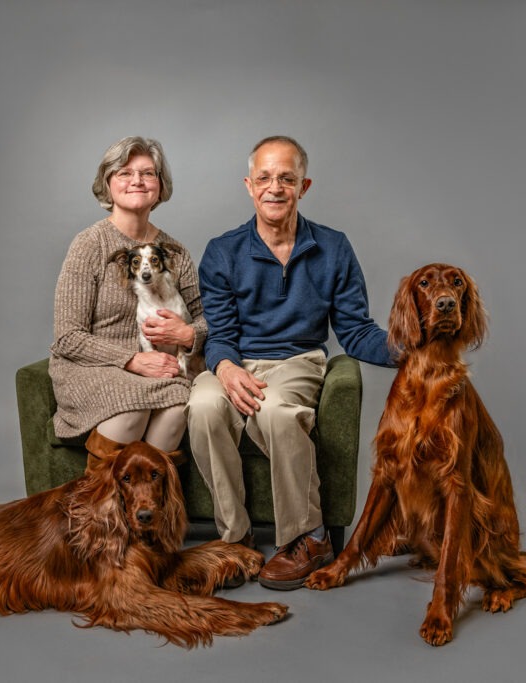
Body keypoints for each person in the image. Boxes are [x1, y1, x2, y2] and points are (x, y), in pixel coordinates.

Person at [187, 135, 394, 590]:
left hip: (298, 361)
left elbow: (356, 331)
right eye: (264, 178)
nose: (275, 187)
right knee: (201, 406)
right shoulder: (222, 251)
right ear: (248, 185)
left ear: (305, 185)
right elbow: (219, 336)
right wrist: (224, 367)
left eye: (287, 178)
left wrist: (409, 349)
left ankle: (309, 536)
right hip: (236, 361)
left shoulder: (334, 248)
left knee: (277, 411)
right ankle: (235, 538)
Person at [50, 136, 206, 466]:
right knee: (131, 404)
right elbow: (67, 337)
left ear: (160, 187)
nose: (136, 180)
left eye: (147, 173)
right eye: (124, 172)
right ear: (108, 184)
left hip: (159, 366)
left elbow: (207, 318)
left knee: (179, 406)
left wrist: (188, 335)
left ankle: (148, 513)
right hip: (91, 367)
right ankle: (98, 511)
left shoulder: (175, 253)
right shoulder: (89, 245)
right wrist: (132, 360)